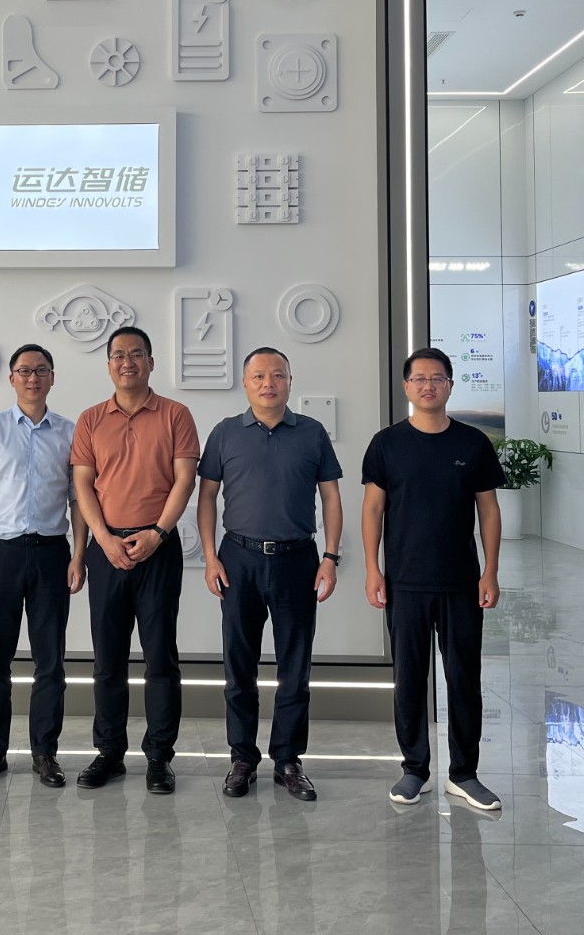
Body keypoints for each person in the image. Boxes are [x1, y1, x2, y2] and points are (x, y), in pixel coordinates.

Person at [361, 347, 505, 811]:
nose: (428, 386)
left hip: (461, 582)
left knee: (464, 679)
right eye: (419, 378)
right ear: (406, 387)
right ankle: (414, 769)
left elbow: (489, 510)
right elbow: (373, 509)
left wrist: (490, 571)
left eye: (437, 378)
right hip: (404, 582)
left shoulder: (473, 443)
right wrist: (372, 568)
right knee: (408, 680)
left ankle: (463, 774)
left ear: (450, 385)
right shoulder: (386, 444)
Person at [197, 347, 343, 803]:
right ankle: (242, 758)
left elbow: (331, 498)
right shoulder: (225, 433)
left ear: (290, 381)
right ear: (245, 383)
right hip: (237, 559)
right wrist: (210, 557)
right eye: (259, 376)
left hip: (297, 559)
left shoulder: (312, 433)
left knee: (294, 667)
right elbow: (206, 498)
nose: (268, 383)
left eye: (277, 375)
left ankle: (288, 760)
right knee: (238, 666)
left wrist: (330, 557)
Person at [71, 326, 200, 794]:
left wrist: (158, 533)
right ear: (108, 364)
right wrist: (103, 539)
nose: (128, 362)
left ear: (150, 362)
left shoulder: (175, 414)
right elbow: (83, 484)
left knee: (160, 657)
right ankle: (109, 752)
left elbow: (184, 480)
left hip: (158, 548)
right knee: (108, 659)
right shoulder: (90, 419)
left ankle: (160, 757)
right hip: (107, 549)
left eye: (137, 354)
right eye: (119, 355)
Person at [0, 343, 88, 788]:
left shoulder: (70, 432)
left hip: (52, 553)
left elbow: (78, 499)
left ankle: (44, 753)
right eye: (24, 371)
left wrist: (78, 555)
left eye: (41, 370)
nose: (32, 378)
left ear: (52, 377)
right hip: (0, 552)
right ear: (12, 378)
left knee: (50, 660)